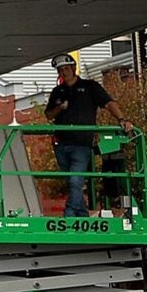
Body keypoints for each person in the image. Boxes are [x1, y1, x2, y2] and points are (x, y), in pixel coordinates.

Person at [42, 54, 129, 217]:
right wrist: (59, 108)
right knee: (72, 182)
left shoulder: (90, 87)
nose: (64, 72)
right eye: (60, 69)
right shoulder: (58, 91)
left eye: (66, 68)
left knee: (75, 180)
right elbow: (48, 115)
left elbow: (108, 103)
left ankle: (70, 213)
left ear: (73, 68)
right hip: (61, 143)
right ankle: (81, 214)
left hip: (81, 144)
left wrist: (122, 119)